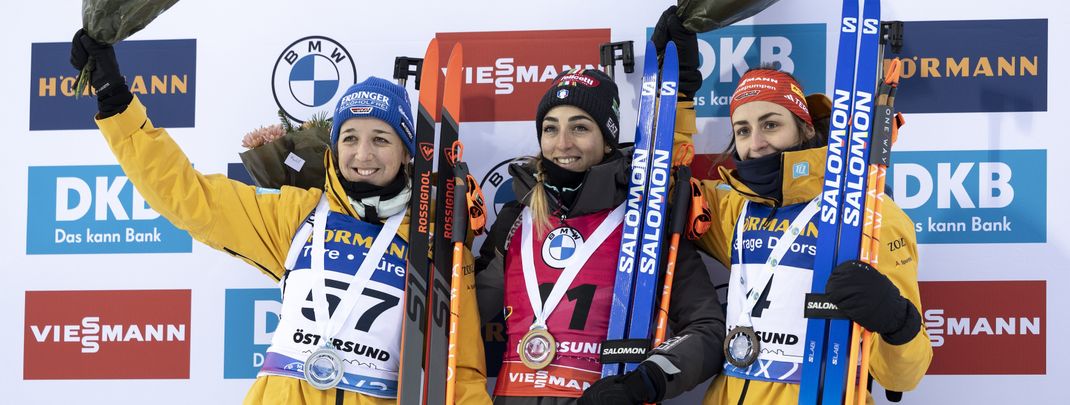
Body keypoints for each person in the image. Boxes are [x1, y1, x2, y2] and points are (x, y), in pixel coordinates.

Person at [69, 29, 492, 405]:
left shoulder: (436, 242)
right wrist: (115, 99)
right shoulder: (296, 216)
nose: (363, 155)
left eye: (381, 139)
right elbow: (186, 195)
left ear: (405, 152)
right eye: (350, 138)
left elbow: (462, 373)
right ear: (333, 148)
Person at [650, 7, 933, 404]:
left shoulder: (870, 214)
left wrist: (895, 320)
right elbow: (662, 186)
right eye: (742, 130)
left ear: (804, 127)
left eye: (770, 123)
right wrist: (674, 94)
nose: (756, 142)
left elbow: (906, 373)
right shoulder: (735, 209)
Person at [474, 67, 724, 405]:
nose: (562, 143)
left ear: (607, 139)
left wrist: (646, 381)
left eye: (579, 127)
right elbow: (467, 311)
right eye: (551, 128)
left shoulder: (644, 222)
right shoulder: (516, 219)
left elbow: (708, 328)